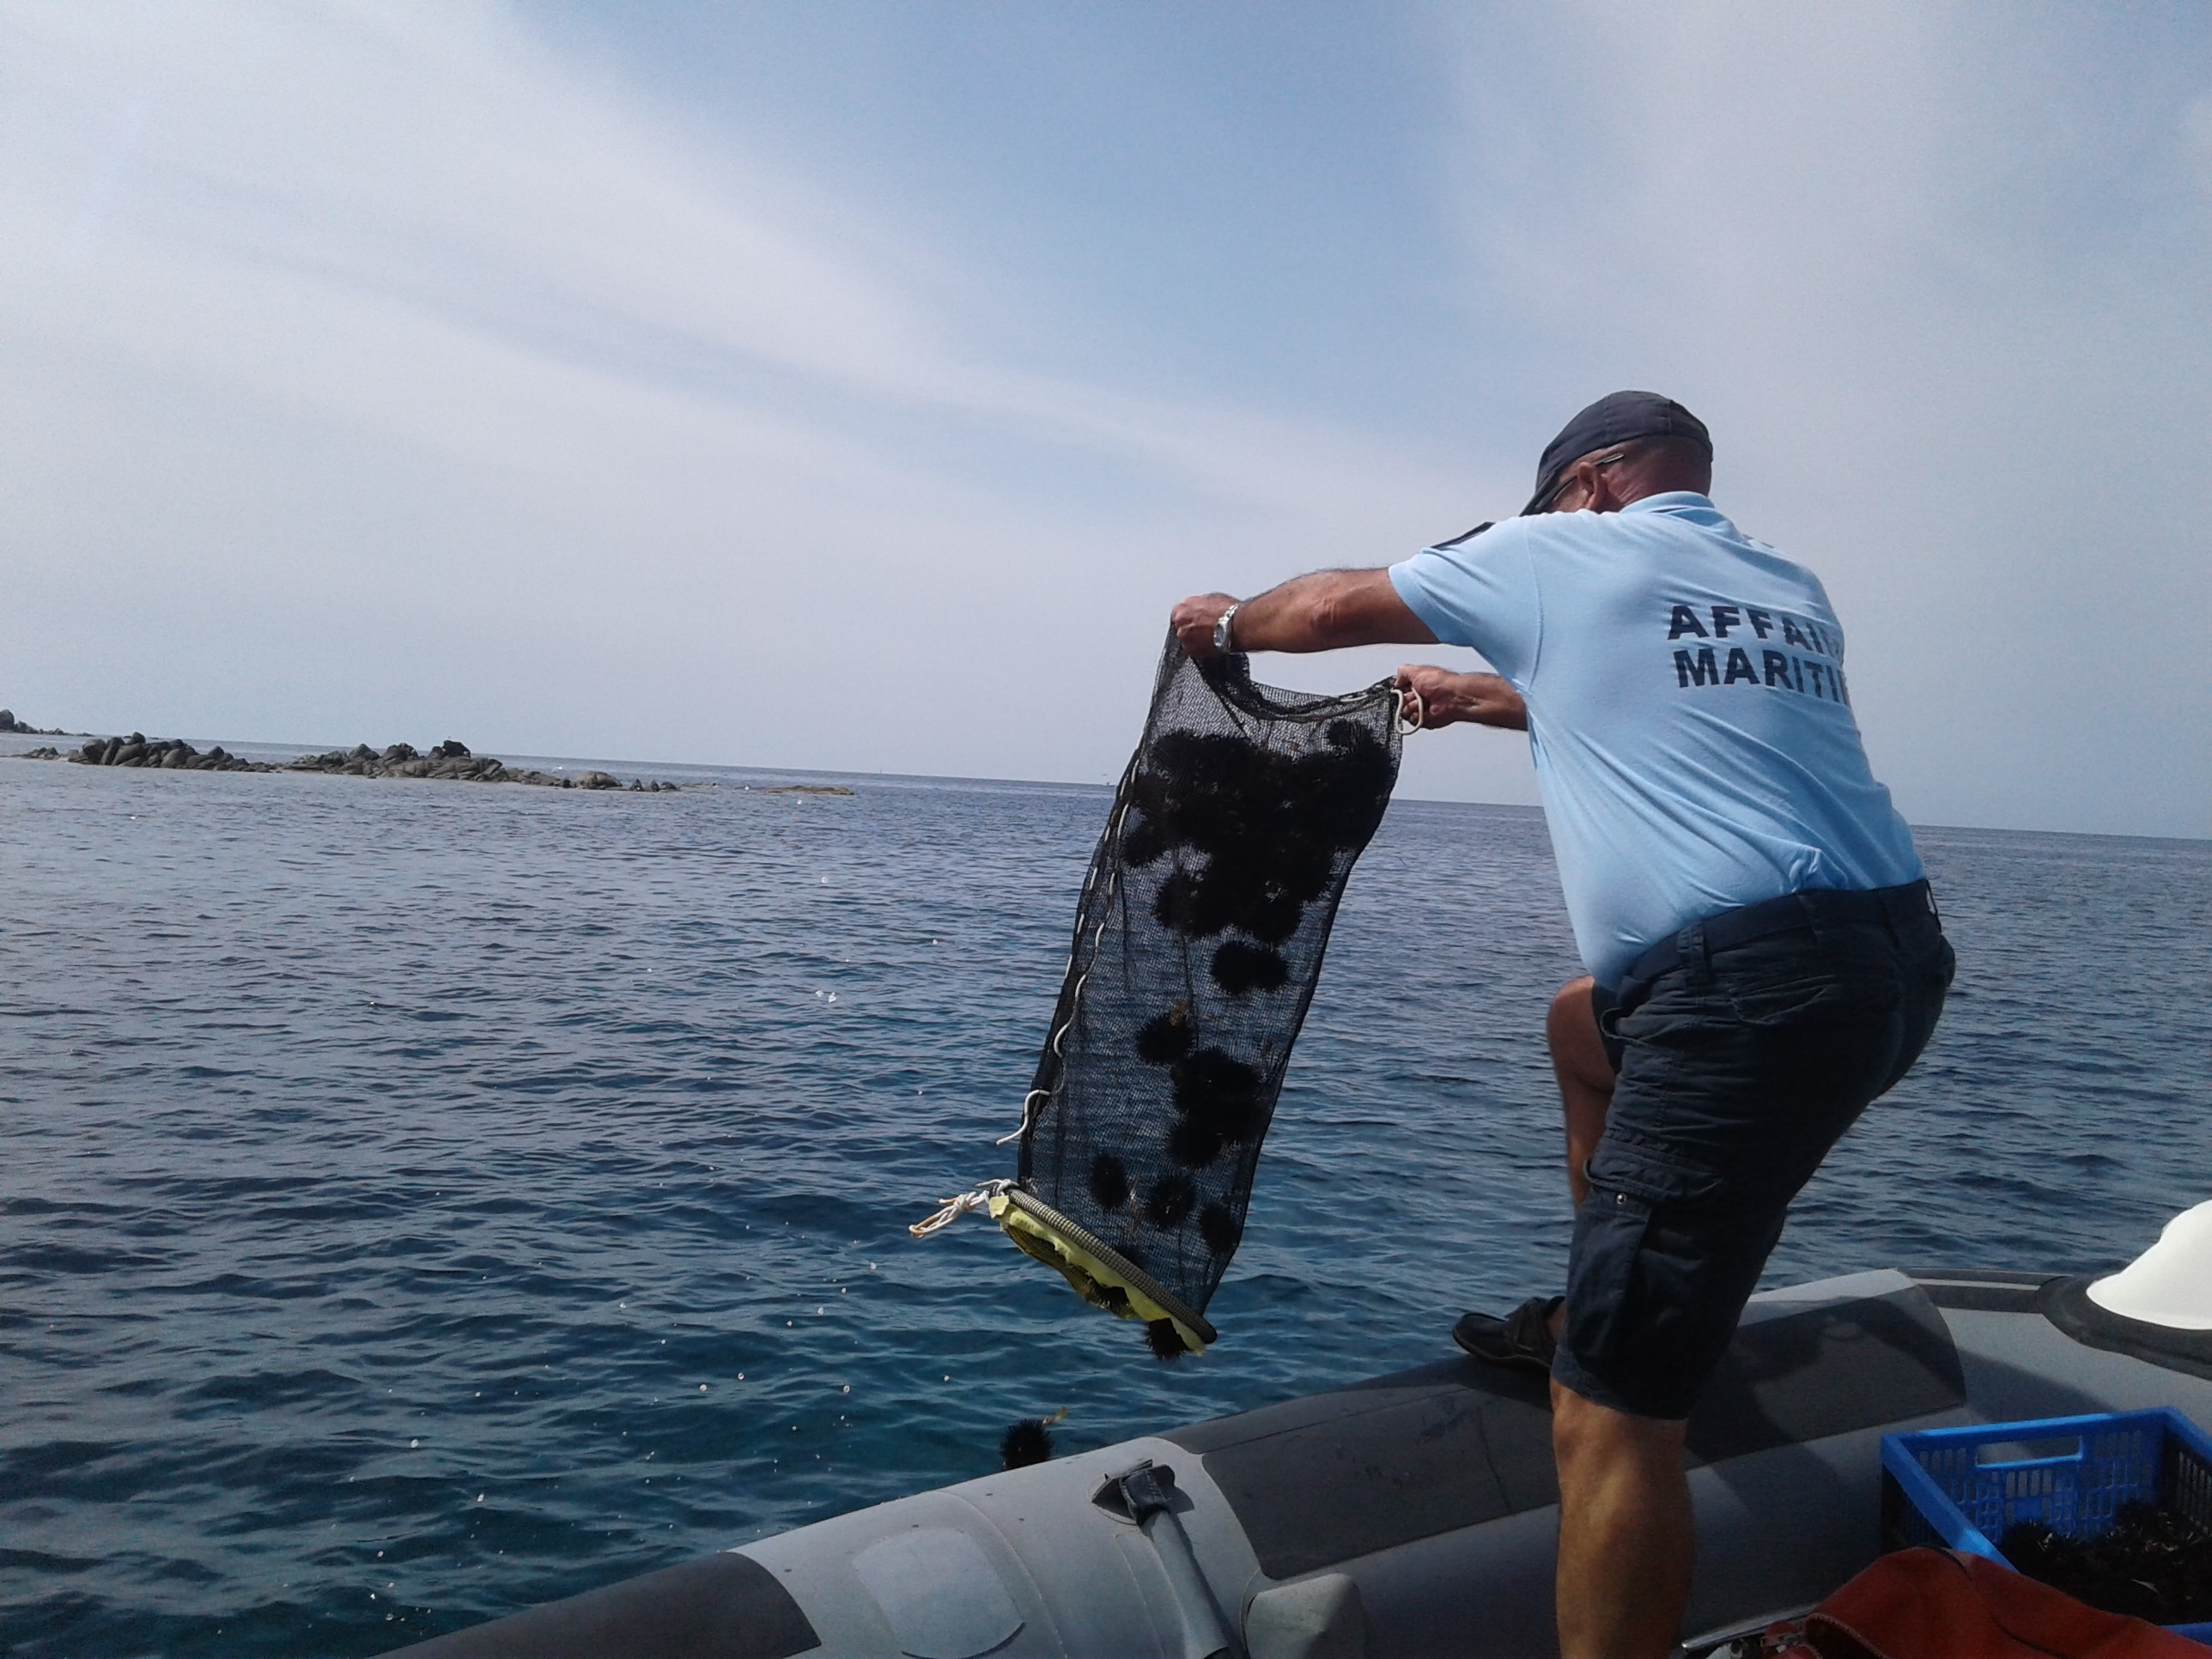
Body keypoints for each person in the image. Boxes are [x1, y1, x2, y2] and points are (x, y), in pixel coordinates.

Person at [1169, 391, 1954, 1659]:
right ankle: (1606, 1287)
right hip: (1895, 965)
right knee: (1581, 1029)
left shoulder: (1563, 550)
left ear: (1585, 487)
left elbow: (1321, 611)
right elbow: (1655, 697)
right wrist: (1481, 699)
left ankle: (1607, 1367)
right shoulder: (1785, 588)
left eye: (1551, 508)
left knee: (1610, 1420)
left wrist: (1222, 618)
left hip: (1746, 1003)